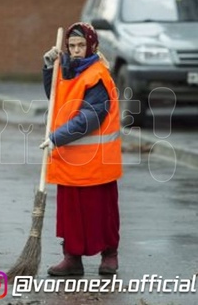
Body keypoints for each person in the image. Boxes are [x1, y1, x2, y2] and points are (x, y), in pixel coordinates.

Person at [40, 22, 123, 276]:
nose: (76, 50)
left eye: (81, 45)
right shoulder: (68, 70)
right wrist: (47, 68)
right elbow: (55, 97)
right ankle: (72, 258)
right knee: (71, 215)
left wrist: (57, 137)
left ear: (92, 46)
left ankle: (109, 255)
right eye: (72, 46)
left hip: (96, 162)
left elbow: (91, 117)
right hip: (70, 160)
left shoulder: (97, 76)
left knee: (101, 213)